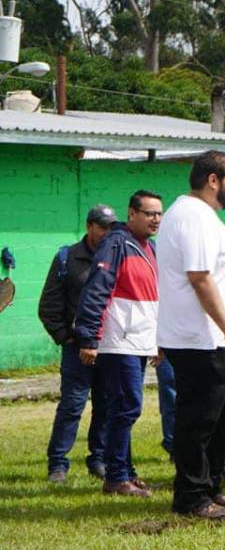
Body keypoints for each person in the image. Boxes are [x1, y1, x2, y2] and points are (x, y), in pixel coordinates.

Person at [157, 151, 225, 521]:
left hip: (214, 339)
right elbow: (200, 278)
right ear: (213, 180)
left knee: (220, 417)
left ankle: (210, 485)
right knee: (198, 420)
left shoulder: (204, 217)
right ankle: (191, 496)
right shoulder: (192, 217)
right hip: (201, 338)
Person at [74, 191, 163, 499]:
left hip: (138, 340)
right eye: (149, 213)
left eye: (158, 214)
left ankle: (126, 471)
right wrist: (89, 337)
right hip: (118, 340)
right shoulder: (116, 243)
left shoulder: (148, 247)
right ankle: (116, 476)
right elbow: (97, 290)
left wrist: (157, 340)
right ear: (132, 214)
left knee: (126, 407)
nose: (155, 219)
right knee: (126, 407)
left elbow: (152, 299)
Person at [39, 204, 115, 483]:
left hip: (109, 347)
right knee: (72, 405)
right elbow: (48, 305)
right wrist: (66, 337)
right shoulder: (67, 258)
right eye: (102, 226)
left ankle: (99, 459)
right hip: (77, 350)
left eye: (111, 226)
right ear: (89, 226)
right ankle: (58, 463)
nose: (107, 232)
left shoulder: (116, 256)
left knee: (106, 405)